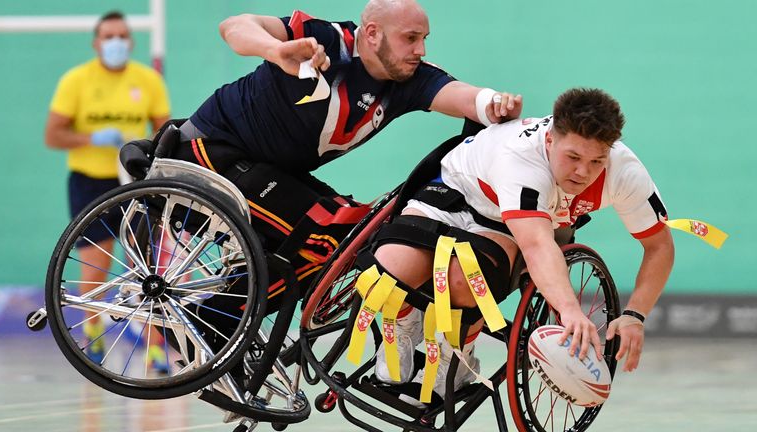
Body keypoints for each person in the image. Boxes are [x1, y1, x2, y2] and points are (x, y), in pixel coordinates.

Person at [156, 0, 522, 304]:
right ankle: (215, 324)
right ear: (373, 32)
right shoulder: (324, 39)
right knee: (328, 237)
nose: (420, 50)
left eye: (424, 39)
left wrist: (494, 102)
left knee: (353, 239)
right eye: (410, 38)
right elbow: (234, 25)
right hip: (208, 151)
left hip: (269, 172)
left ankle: (226, 321)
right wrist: (276, 50)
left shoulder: (409, 78)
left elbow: (465, 97)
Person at [369, 88, 675, 403]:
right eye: (573, 157)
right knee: (386, 271)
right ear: (550, 140)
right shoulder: (522, 159)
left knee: (463, 282)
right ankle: (404, 329)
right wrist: (570, 311)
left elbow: (659, 246)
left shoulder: (625, 173)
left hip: (507, 225)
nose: (583, 171)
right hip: (457, 190)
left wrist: (636, 315)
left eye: (596, 160)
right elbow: (538, 245)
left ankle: (457, 357)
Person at [44, 10, 171, 366]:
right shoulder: (77, 81)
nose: (115, 42)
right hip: (91, 182)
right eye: (108, 36)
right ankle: (92, 331)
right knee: (96, 267)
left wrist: (144, 145)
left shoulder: (147, 80)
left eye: (121, 36)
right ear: (96, 42)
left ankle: (155, 345)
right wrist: (91, 137)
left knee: (147, 268)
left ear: (130, 41)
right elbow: (53, 134)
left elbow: (166, 131)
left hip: (133, 182)